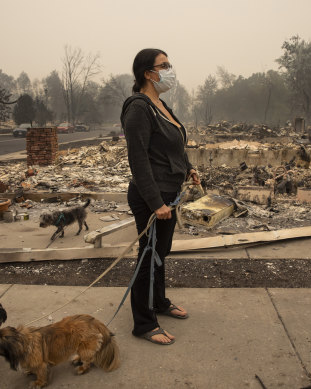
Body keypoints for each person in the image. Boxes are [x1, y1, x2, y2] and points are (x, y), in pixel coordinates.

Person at [120, 48, 200, 345]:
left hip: (170, 191)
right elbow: (138, 160)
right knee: (148, 255)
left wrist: (188, 169)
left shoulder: (160, 104)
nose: (170, 70)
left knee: (160, 252)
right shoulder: (139, 107)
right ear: (147, 73)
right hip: (151, 196)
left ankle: (159, 302)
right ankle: (143, 322)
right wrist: (156, 203)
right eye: (164, 65)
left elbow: (173, 146)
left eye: (169, 64)